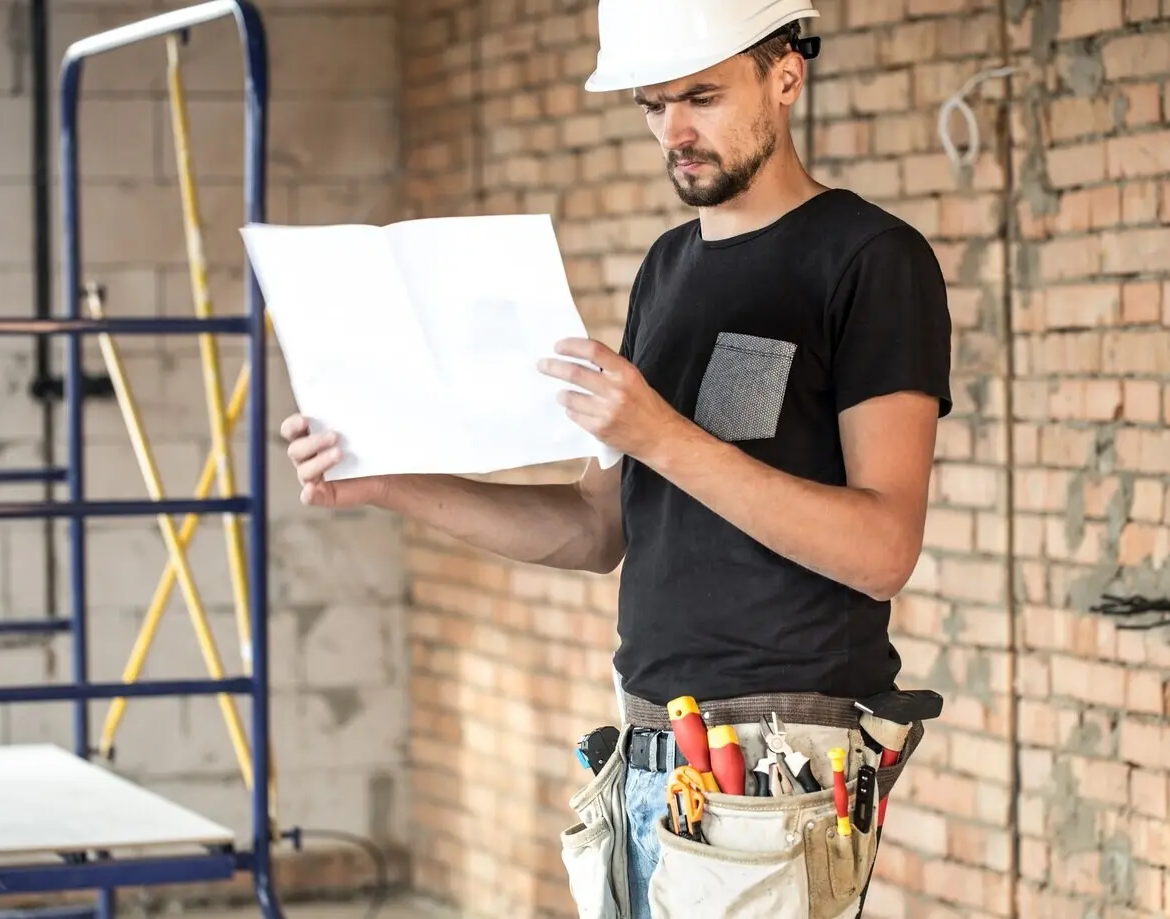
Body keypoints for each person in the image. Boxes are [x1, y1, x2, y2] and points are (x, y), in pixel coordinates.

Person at [281, 1, 952, 915]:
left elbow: (884, 548)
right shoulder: (665, 270)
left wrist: (659, 434)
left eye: (702, 98)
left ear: (787, 75)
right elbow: (596, 530)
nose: (674, 131)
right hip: (649, 745)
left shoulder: (872, 260)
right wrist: (387, 477)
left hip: (781, 758)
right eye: (652, 104)